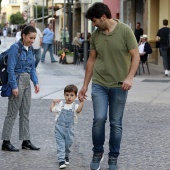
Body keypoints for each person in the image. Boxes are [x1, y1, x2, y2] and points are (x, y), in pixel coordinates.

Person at [78, 3, 140, 170]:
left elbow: (135, 56)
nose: (94, 24)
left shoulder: (125, 31)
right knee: (99, 119)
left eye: (95, 21)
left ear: (104, 17)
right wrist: (85, 85)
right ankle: (97, 153)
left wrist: (130, 77)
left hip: (120, 86)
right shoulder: (96, 35)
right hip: (99, 84)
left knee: (115, 123)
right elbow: (91, 60)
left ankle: (113, 157)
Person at [1, 25, 40, 152]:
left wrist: (36, 82)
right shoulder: (15, 48)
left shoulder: (31, 49)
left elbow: (32, 68)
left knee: (25, 113)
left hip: (27, 82)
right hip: (17, 81)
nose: (32, 41)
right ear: (23, 36)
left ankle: (26, 141)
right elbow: (10, 69)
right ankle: (6, 142)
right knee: (12, 113)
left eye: (34, 38)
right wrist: (14, 86)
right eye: (30, 38)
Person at [50, 84, 84, 169]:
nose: (69, 97)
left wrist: (82, 102)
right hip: (59, 129)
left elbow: (79, 110)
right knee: (60, 144)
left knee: (68, 144)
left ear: (75, 96)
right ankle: (61, 160)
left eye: (72, 95)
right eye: (67, 95)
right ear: (64, 95)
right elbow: (52, 109)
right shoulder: (61, 105)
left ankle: (66, 155)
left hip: (69, 129)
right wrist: (53, 102)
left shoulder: (75, 106)